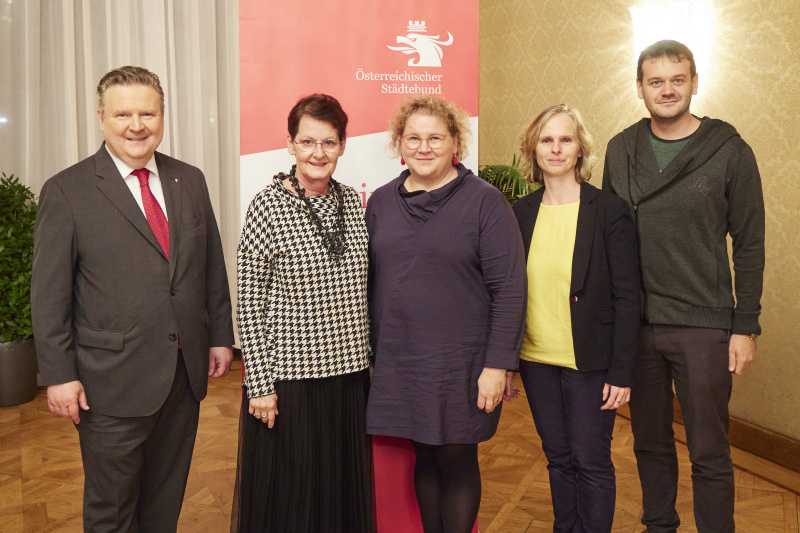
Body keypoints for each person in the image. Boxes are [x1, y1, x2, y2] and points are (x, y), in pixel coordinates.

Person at [31, 66, 235, 532]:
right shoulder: (67, 190)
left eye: (148, 112)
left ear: (162, 116)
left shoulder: (190, 179)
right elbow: (49, 295)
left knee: (164, 502)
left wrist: (220, 336)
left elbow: (210, 267)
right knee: (112, 510)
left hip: (183, 377)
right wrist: (59, 375)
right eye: (123, 114)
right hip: (110, 386)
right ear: (101, 119)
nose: (136, 125)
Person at [603, 40, 765, 532]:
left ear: (695, 83)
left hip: (704, 325)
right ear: (639, 88)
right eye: (656, 81)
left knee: (709, 450)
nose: (667, 90)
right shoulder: (621, 148)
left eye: (677, 79)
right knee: (649, 443)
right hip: (639, 328)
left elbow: (751, 243)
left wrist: (746, 326)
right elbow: (609, 241)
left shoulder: (730, 151)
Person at [366, 94, 527, 533]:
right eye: (413, 137)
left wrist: (498, 365)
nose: (424, 147)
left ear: (455, 141)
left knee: (456, 456)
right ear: (399, 143)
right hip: (402, 359)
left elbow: (510, 289)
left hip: (465, 362)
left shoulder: (485, 202)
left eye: (435, 137)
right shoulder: (380, 202)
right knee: (425, 453)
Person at [232, 94, 371, 533]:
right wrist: (259, 384)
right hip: (289, 381)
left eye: (329, 142)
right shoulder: (267, 206)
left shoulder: (352, 202)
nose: (318, 153)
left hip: (349, 376)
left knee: (338, 494)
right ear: (290, 144)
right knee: (293, 498)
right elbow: (250, 303)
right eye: (307, 141)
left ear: (343, 145)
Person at [512, 104, 640, 532]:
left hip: (591, 363)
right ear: (534, 148)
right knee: (559, 459)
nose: (556, 148)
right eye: (546, 140)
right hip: (536, 360)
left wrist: (622, 373)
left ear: (580, 148)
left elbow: (627, 296)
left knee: (591, 460)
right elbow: (509, 292)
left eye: (565, 139)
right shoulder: (520, 213)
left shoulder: (609, 210)